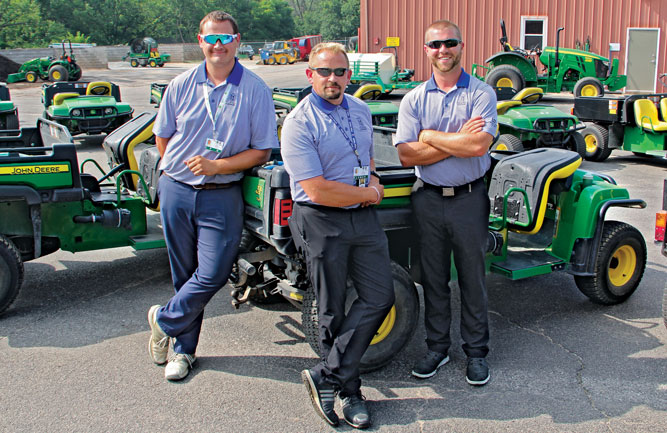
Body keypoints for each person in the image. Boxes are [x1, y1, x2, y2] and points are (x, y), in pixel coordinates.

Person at [146, 10, 277, 381]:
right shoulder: (181, 84)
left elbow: (263, 150)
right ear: (200, 41)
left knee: (214, 272)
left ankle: (164, 320)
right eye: (211, 38)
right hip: (176, 189)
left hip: (221, 193)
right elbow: (164, 136)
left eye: (225, 38)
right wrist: (180, 168)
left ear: (237, 41)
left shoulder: (254, 89)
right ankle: (183, 352)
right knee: (183, 273)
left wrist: (217, 166)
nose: (218, 45)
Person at [280, 42, 395, 429]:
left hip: (361, 216)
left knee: (380, 295)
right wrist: (371, 193)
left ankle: (325, 375)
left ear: (350, 74)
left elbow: (368, 157)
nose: (333, 79)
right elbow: (316, 189)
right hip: (321, 219)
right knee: (331, 309)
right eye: (325, 71)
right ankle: (348, 391)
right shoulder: (299, 122)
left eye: (340, 72)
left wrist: (374, 180)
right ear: (310, 74)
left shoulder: (360, 110)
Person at [394, 20, 497, 386]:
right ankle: (437, 348)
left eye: (449, 43)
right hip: (428, 199)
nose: (443, 50)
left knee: (472, 279)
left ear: (461, 46)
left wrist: (430, 137)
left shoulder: (482, 93)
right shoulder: (414, 98)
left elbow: (477, 146)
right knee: (434, 280)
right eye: (435, 44)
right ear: (426, 50)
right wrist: (454, 140)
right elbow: (407, 156)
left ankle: (476, 353)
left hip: (469, 199)